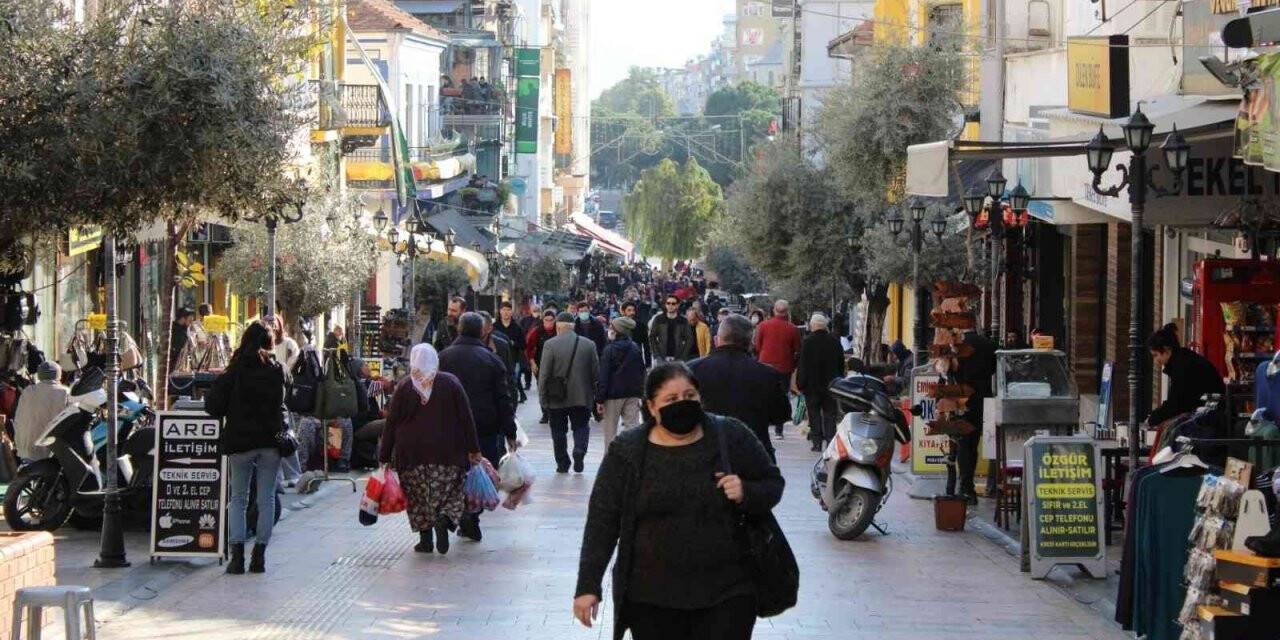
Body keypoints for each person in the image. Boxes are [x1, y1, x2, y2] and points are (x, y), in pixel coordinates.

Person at [573, 362, 785, 640]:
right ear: (650, 407)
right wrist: (588, 585)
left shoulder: (730, 435)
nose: (682, 404)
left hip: (728, 590)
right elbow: (603, 519)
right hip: (650, 597)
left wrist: (746, 491)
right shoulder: (628, 451)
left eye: (690, 396)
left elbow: (772, 483)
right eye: (671, 399)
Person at [379, 344, 482, 555]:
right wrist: (474, 448)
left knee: (418, 497)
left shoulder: (405, 386)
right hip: (448, 452)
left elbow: (391, 423)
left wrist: (384, 455)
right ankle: (444, 519)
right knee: (451, 492)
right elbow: (466, 417)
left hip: (412, 454)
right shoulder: (451, 382)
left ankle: (425, 541)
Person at [205, 322, 284, 575]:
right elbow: (285, 401)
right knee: (266, 498)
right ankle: (259, 556)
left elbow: (213, 406)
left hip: (240, 442)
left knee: (238, 498)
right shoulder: (277, 371)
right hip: (271, 442)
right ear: (270, 343)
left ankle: (237, 557)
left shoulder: (235, 371)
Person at [439, 312, 517, 542]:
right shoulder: (492, 360)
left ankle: (455, 514)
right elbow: (504, 398)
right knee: (481, 474)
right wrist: (510, 431)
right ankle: (470, 517)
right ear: (481, 331)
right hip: (484, 427)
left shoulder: (443, 357)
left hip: (450, 427)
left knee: (453, 473)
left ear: (460, 330)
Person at [688, 314, 790, 462]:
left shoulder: (692, 370)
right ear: (751, 343)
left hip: (705, 455)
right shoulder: (767, 374)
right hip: (754, 455)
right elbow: (782, 414)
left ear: (717, 340)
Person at [539, 312, 600, 473]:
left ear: (558, 327)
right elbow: (596, 373)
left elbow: (544, 374)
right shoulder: (589, 344)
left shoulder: (550, 344)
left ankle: (562, 463)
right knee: (581, 427)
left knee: (558, 431)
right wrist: (595, 395)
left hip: (556, 397)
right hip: (582, 396)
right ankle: (579, 449)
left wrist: (542, 398)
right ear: (573, 327)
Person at [1146, 323, 1225, 427]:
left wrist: (1151, 420)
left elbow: (1175, 404)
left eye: (1156, 355)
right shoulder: (1183, 359)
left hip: (1211, 417)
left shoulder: (1181, 366)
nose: (1156, 360)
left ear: (1167, 350)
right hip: (1210, 411)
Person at [951, 330, 997, 503]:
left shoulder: (956, 345)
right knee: (974, 441)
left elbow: (950, 370)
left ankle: (965, 486)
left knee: (964, 443)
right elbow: (994, 368)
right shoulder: (988, 344)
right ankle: (971, 488)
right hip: (982, 396)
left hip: (961, 397)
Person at [796, 313, 846, 452]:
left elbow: (803, 364)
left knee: (814, 414)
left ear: (812, 326)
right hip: (831, 385)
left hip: (812, 385)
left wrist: (800, 383)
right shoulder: (834, 341)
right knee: (830, 414)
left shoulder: (807, 341)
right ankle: (830, 442)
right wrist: (840, 380)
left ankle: (816, 443)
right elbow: (841, 363)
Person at [595, 316, 645, 447]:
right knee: (632, 429)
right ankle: (633, 460)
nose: (609, 330)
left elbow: (604, 376)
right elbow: (641, 372)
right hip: (632, 394)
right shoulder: (635, 348)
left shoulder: (609, 350)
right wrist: (640, 393)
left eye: (612, 327)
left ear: (618, 330)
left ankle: (610, 463)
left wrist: (600, 399)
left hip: (612, 396)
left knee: (610, 432)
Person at [754, 300, 801, 437]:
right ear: (787, 312)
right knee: (782, 396)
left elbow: (757, 346)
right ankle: (779, 429)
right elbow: (797, 349)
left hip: (764, 365)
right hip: (784, 367)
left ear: (774, 310)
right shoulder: (793, 329)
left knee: (763, 395)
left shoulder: (762, 326)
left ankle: (763, 425)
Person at [13, 361, 69, 461]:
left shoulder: (28, 391)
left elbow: (18, 420)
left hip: (25, 451)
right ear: (58, 374)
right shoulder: (65, 393)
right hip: (49, 454)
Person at [526, 310, 559, 424]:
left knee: (555, 389)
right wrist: (532, 362)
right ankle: (545, 413)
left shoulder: (558, 331)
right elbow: (529, 348)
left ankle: (554, 412)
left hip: (556, 366)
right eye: (546, 320)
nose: (549, 323)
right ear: (543, 320)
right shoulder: (536, 332)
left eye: (551, 320)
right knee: (542, 390)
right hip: (540, 365)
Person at [495, 301, 528, 403]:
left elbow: (523, 344)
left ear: (511, 312)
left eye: (508, 310)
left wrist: (514, 343)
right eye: (503, 310)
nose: (506, 312)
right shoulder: (495, 326)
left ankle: (515, 397)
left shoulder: (517, 328)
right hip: (498, 358)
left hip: (514, 358)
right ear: (500, 311)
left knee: (514, 378)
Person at [649, 295, 695, 363]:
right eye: (668, 303)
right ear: (665, 304)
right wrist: (656, 355)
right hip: (661, 357)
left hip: (678, 358)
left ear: (678, 305)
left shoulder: (683, 321)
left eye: (673, 303)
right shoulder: (658, 319)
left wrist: (683, 356)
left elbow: (689, 339)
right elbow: (652, 337)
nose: (670, 305)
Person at [621, 300, 651, 367]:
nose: (632, 312)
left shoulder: (641, 326)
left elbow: (646, 345)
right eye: (629, 310)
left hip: (637, 359)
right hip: (621, 361)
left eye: (633, 310)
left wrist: (648, 363)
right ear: (623, 312)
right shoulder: (618, 325)